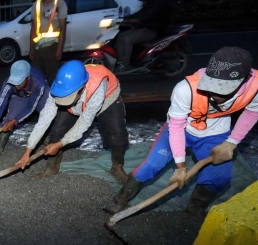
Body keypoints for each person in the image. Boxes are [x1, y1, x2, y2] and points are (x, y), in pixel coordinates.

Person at [104, 47, 258, 216]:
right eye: (212, 85)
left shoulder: (255, 86)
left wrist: (232, 142)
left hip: (215, 132)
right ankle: (120, 200)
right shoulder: (185, 89)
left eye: (223, 88)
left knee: (219, 176)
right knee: (152, 164)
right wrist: (180, 166)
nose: (214, 93)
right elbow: (176, 127)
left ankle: (195, 209)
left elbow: (252, 112)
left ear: (246, 79)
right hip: (180, 129)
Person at [15, 60, 130, 184]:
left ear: (81, 89)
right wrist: (28, 151)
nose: (65, 101)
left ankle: (117, 167)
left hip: (108, 97)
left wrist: (60, 144)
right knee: (57, 131)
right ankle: (51, 168)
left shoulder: (97, 88)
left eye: (68, 98)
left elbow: (84, 123)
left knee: (117, 134)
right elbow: (44, 120)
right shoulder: (59, 87)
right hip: (79, 98)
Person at [0, 60, 51, 154]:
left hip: (40, 94)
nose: (16, 84)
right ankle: (0, 146)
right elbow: (0, 105)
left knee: (48, 112)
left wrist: (15, 120)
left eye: (19, 81)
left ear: (28, 78)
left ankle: (48, 135)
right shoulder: (8, 83)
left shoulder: (39, 83)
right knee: (9, 118)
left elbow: (31, 107)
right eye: (14, 80)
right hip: (20, 95)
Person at [114, 0, 172, 73]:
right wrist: (124, 18)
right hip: (144, 27)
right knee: (120, 36)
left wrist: (127, 21)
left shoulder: (157, 2)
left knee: (126, 39)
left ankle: (124, 64)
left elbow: (144, 18)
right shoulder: (150, 1)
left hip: (152, 30)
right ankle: (120, 62)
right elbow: (139, 14)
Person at [29, 0, 68, 85]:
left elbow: (63, 29)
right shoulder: (36, 4)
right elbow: (33, 28)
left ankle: (52, 99)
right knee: (35, 80)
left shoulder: (60, 3)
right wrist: (31, 48)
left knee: (52, 79)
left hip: (52, 47)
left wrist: (59, 50)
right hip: (38, 48)